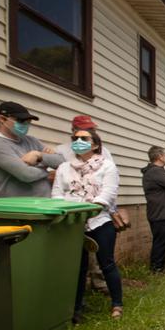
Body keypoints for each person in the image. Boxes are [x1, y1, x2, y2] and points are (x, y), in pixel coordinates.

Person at [51, 129, 123, 319]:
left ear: (96, 145)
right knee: (77, 267)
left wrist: (87, 210)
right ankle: (75, 308)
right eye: (75, 138)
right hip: (71, 224)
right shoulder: (64, 168)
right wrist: (68, 213)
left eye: (84, 138)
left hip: (98, 221)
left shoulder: (107, 167)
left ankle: (117, 304)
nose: (78, 141)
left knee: (106, 263)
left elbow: (108, 194)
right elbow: (57, 194)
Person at [56, 115, 113, 294]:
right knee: (77, 262)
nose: (81, 141)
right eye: (77, 137)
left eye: (90, 131)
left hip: (98, 214)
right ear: (73, 131)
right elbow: (56, 182)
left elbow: (110, 185)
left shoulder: (105, 155)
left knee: (102, 258)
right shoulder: (62, 152)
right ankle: (77, 300)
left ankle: (101, 286)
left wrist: (111, 208)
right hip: (72, 216)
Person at [0, 102, 64, 197]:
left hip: (45, 202)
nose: (26, 125)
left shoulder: (31, 140)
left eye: (28, 122)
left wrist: (39, 156)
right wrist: (49, 171)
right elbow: (26, 174)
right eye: (21, 121)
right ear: (2, 119)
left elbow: (62, 162)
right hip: (20, 207)